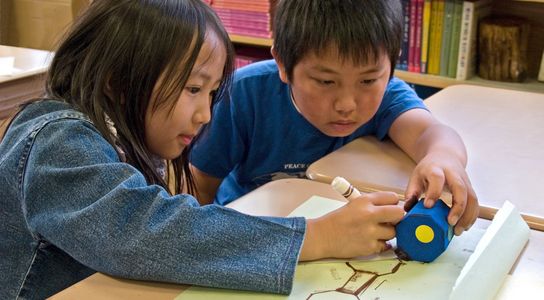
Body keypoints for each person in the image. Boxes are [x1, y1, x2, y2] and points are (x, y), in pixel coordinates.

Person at [0, 1, 403, 299]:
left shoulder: (115, 135)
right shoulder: (57, 141)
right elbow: (140, 232)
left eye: (211, 94)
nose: (206, 115)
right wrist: (315, 236)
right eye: (194, 89)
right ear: (118, 80)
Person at [190, 0, 479, 235]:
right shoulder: (243, 94)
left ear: (391, 65)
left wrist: (443, 158)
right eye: (325, 82)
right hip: (255, 231)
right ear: (282, 63)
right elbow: (199, 188)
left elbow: (431, 133)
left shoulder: (388, 94)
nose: (347, 105)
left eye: (368, 81)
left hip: (344, 237)